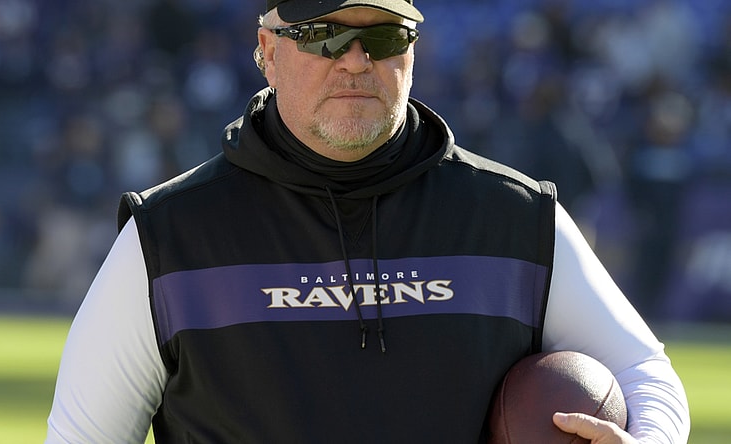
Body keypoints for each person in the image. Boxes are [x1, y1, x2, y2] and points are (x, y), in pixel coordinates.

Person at [46, 0, 690, 442]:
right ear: (267, 51)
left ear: (412, 49)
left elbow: (645, 374)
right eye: (324, 35)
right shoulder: (168, 237)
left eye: (381, 38)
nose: (355, 61)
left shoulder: (517, 219)